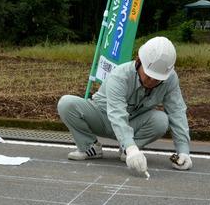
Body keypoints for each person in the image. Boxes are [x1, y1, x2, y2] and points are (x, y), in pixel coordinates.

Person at [57, 37, 192, 175]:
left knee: (161, 120)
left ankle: (126, 149)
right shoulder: (120, 76)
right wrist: (131, 148)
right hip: (103, 118)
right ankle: (90, 147)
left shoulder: (170, 79)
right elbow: (117, 114)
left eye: (158, 79)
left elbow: (177, 111)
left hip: (133, 123)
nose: (152, 81)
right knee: (66, 104)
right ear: (139, 61)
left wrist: (183, 151)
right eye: (149, 75)